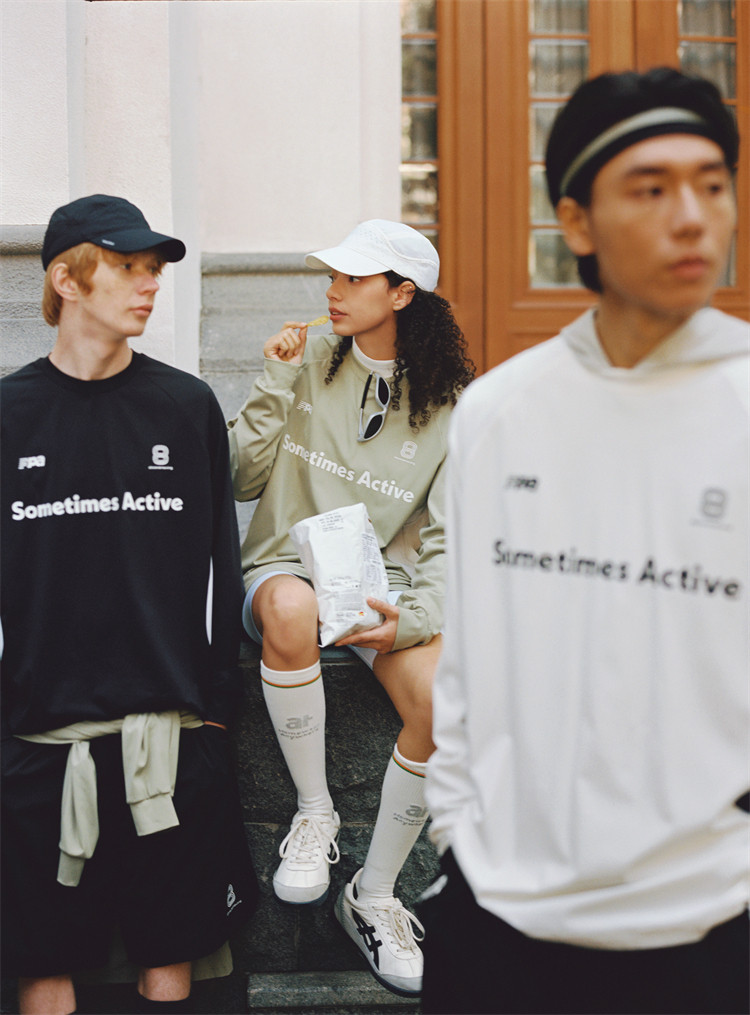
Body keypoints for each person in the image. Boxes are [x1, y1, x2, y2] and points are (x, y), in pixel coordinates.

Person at [421, 67, 749, 1015]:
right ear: (575, 221)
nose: (693, 216)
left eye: (713, 182)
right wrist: (458, 839)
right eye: (651, 188)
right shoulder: (498, 412)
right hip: (502, 922)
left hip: (706, 930)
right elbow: (474, 657)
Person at [1, 194, 257, 1015]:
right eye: (126, 267)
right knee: (43, 968)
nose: (148, 286)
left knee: (169, 965)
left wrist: (217, 716)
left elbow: (223, 567)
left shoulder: (184, 409)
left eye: (155, 270)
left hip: (172, 740)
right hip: (40, 742)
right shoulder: (8, 416)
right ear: (66, 279)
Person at [227, 219, 474, 996]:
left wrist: (417, 618)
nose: (332, 291)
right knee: (293, 611)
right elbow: (237, 476)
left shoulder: (452, 404)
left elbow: (447, 536)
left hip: (376, 588)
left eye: (354, 279)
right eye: (331, 276)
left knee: (439, 699)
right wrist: (271, 382)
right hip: (283, 569)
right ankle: (314, 813)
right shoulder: (303, 358)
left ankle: (371, 895)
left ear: (403, 293)